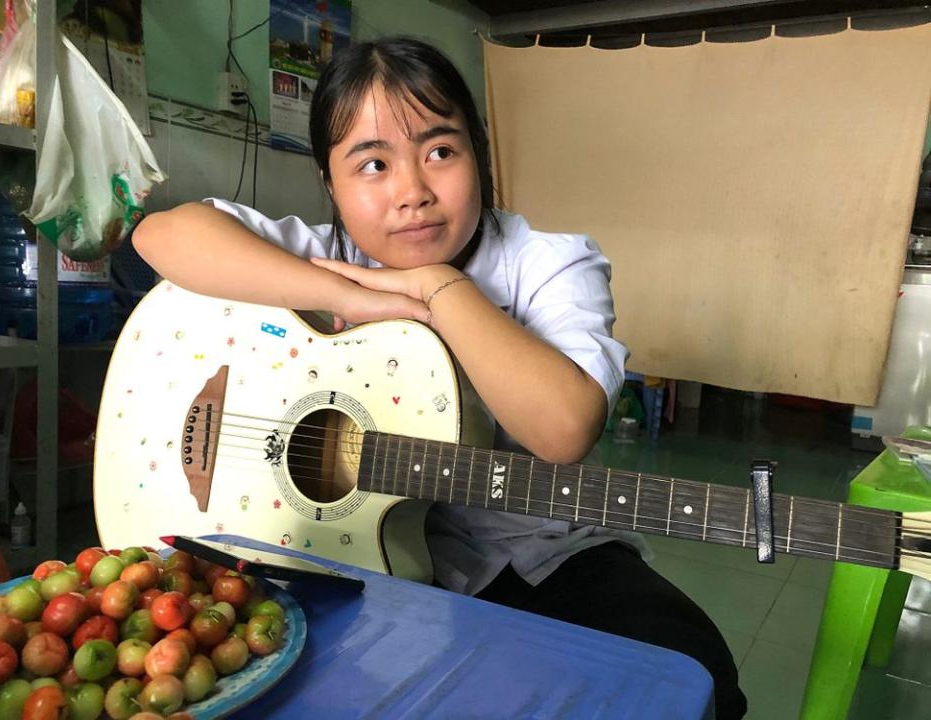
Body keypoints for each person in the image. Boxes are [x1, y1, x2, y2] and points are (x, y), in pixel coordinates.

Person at [132, 37, 747, 719]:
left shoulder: (548, 265)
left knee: (691, 666)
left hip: (530, 556)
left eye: (440, 152)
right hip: (338, 552)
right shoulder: (329, 256)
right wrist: (354, 296)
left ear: (478, 155)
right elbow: (162, 235)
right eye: (372, 164)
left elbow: (564, 427)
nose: (412, 193)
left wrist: (440, 288)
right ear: (330, 183)